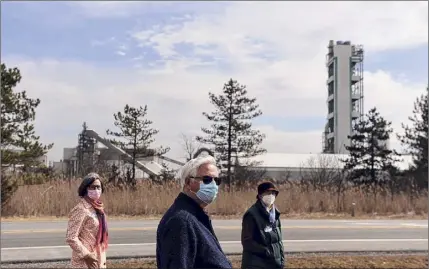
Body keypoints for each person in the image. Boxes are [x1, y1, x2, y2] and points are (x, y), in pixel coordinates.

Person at [156, 155, 232, 269]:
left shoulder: (196, 216)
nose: (213, 185)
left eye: (217, 180)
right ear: (188, 183)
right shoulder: (181, 221)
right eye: (207, 180)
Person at [66, 172, 109, 269]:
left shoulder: (97, 208)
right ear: (85, 189)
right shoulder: (81, 209)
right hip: (84, 262)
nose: (96, 190)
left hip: (97, 257)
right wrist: (86, 255)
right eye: (92, 187)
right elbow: (71, 237)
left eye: (98, 187)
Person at [241, 181, 285, 269]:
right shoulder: (252, 214)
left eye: (273, 193)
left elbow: (278, 240)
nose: (271, 196)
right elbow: (247, 242)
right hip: (256, 264)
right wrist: (266, 252)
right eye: (268, 193)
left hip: (273, 263)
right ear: (260, 195)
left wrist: (281, 258)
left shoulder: (275, 214)